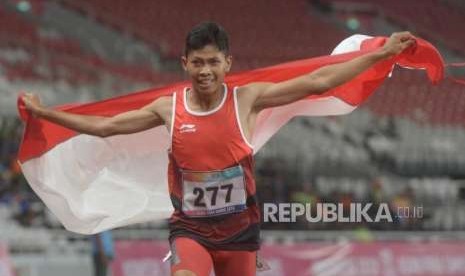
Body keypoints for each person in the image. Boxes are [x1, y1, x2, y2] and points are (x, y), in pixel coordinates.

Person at [22, 22, 415, 276]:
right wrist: (48, 115)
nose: (205, 70)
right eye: (197, 62)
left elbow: (317, 82)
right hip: (190, 229)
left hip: (239, 234)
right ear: (185, 64)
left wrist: (380, 55)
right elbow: (106, 126)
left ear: (227, 63)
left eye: (213, 61)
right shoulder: (169, 108)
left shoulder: (248, 100)